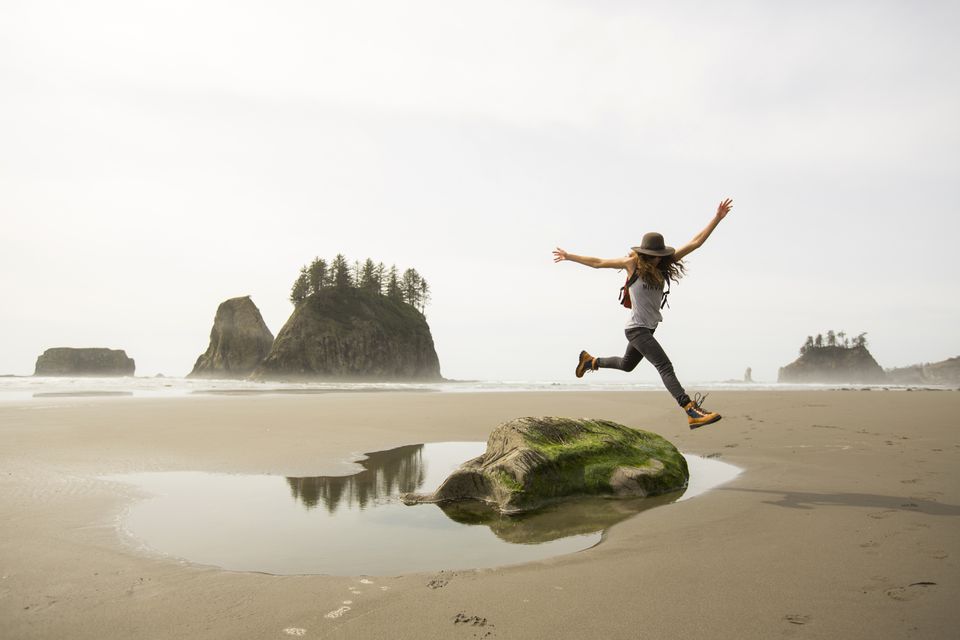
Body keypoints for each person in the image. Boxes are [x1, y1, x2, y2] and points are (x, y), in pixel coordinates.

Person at [552, 198, 733, 429]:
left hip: (647, 328)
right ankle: (690, 410)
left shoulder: (664, 265)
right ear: (645, 253)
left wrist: (716, 218)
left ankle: (590, 362)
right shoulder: (632, 265)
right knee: (665, 366)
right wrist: (569, 256)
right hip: (636, 329)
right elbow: (598, 262)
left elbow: (696, 242)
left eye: (661, 254)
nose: (659, 258)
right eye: (655, 254)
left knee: (627, 365)